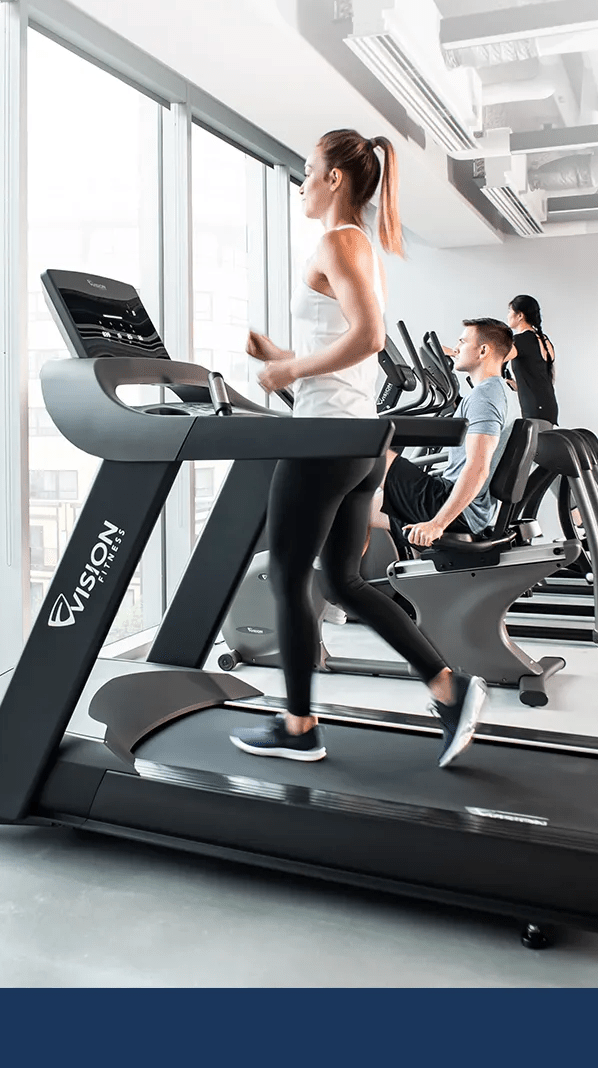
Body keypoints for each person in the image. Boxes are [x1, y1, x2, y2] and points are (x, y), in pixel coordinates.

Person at [229, 129, 486, 769]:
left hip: (324, 439)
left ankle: (297, 726)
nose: (302, 183)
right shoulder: (359, 245)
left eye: (309, 171)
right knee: (341, 581)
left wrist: (288, 374)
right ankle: (448, 687)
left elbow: (370, 338)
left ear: (336, 179)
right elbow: (347, 356)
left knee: (290, 576)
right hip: (358, 439)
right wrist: (285, 358)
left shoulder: (337, 241)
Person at [370, 319, 519, 555]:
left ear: (483, 350)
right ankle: (352, 581)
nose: (456, 348)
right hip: (466, 506)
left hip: (453, 506)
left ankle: (343, 582)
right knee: (357, 512)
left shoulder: (485, 397)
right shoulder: (499, 391)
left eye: (462, 341)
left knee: (366, 448)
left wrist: (438, 524)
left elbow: (478, 467)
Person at [505, 294, 558, 426]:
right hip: (549, 406)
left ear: (520, 315)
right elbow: (549, 378)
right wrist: (521, 386)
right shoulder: (545, 340)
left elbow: (496, 360)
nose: (508, 315)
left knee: (536, 446)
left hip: (535, 408)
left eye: (510, 311)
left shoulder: (520, 340)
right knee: (541, 445)